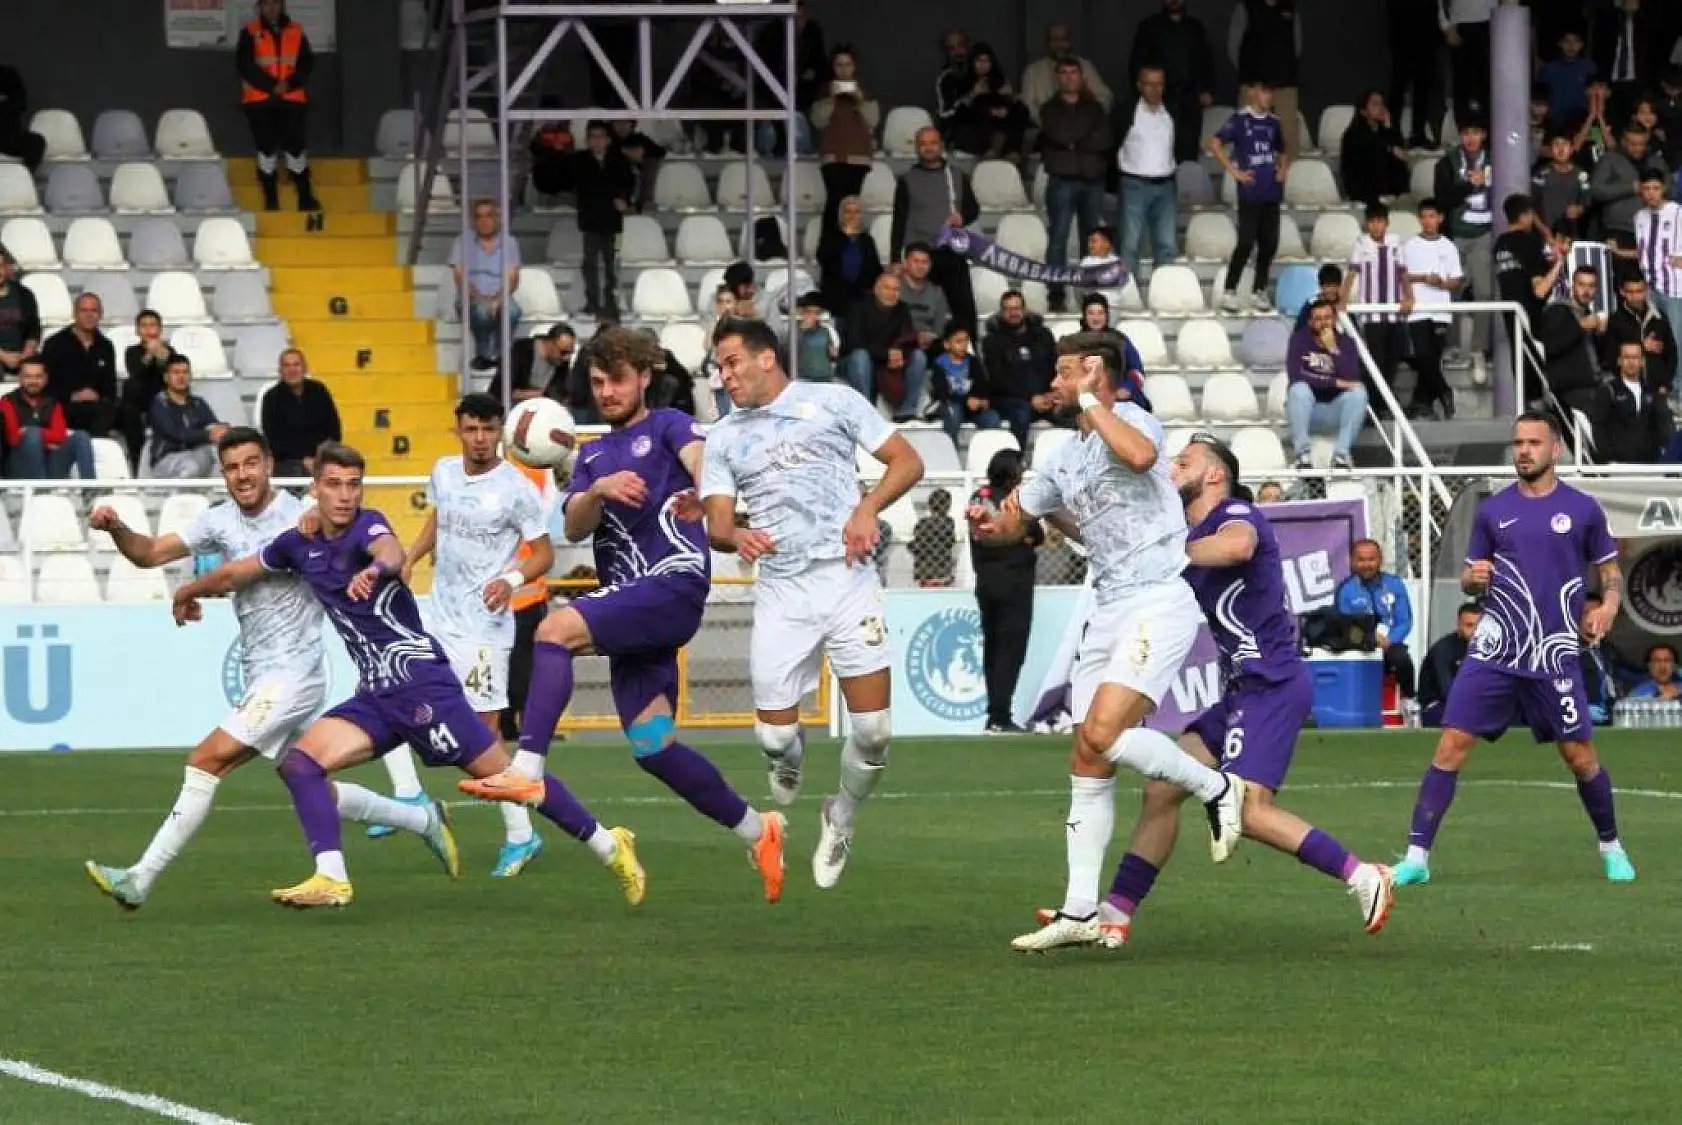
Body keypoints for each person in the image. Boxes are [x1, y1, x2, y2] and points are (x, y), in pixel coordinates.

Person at [170, 441, 646, 909]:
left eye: (353, 485)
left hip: (421, 686)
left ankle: (608, 844)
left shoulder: (367, 527)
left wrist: (376, 570)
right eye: (333, 485)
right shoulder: (299, 542)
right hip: (377, 694)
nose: (344, 496)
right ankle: (331, 877)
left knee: (513, 780)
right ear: (314, 489)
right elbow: (238, 571)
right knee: (300, 764)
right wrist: (189, 589)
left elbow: (391, 551)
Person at [462, 328, 788, 901]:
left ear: (643, 377)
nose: (607, 391)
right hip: (633, 608)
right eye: (596, 382)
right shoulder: (589, 456)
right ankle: (758, 830)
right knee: (653, 748)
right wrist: (600, 489)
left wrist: (719, 505)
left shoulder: (669, 427)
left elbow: (703, 462)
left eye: (617, 379)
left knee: (556, 628)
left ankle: (528, 767)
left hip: (672, 585)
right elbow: (574, 526)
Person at [1052, 435, 1396, 950]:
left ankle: (1362, 874)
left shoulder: (1237, 513)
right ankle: (1115, 912)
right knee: (1162, 789)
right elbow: (1120, 546)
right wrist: (1046, 510)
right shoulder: (1182, 532)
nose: (1172, 466)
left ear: (1214, 474)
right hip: (1241, 691)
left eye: (1184, 460)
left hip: (1273, 687)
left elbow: (1238, 546)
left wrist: (1171, 552)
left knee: (1248, 811)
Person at [84, 429, 450, 910]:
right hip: (264, 674)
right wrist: (115, 527)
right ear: (223, 473)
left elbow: (363, 539)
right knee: (305, 778)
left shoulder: (304, 514)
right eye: (233, 467)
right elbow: (149, 553)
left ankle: (139, 878)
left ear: (269, 463)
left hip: (294, 673)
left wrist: (377, 569)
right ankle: (423, 820)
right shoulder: (217, 520)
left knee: (205, 760)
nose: (243, 475)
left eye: (251, 463)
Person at [968, 333, 1245, 952]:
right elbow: (1019, 519)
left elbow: (1144, 457)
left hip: (1157, 601)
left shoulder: (1132, 418)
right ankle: (1079, 911)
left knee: (1102, 732)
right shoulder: (1066, 454)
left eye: (1065, 374)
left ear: (1094, 373)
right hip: (1110, 606)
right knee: (1090, 753)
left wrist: (1093, 400)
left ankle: (1217, 787)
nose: (1056, 386)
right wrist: (993, 527)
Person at [701, 317, 926, 888]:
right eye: (719, 367)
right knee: (773, 736)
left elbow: (907, 461)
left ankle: (841, 816)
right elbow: (718, 524)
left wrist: (867, 508)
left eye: (731, 363)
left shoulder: (834, 402)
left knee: (873, 732)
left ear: (766, 358)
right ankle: (788, 756)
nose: (724, 376)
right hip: (781, 591)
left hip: (848, 582)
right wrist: (737, 537)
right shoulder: (724, 436)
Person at [1393, 412, 1635, 887]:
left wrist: (1607, 605)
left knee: (1581, 757)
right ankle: (1417, 858)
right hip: (1496, 650)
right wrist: (1471, 578)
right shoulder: (1493, 511)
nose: (1524, 450)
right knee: (1449, 747)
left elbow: (1610, 573)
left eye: (1533, 443)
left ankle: (1612, 847)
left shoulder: (1583, 509)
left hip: (1553, 652)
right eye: (1518, 443)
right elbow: (1469, 574)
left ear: (1555, 449)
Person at [351, 395, 552, 878]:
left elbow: (543, 554)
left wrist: (513, 581)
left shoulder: (516, 489)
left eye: (487, 429)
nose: (479, 438)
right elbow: (439, 520)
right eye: (470, 429)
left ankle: (522, 836)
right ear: (457, 431)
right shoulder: (443, 472)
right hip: (439, 616)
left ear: (499, 432)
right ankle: (407, 793)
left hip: (485, 629)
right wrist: (413, 555)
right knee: (388, 690)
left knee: (483, 735)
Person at [969, 449, 1040, 733]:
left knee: (993, 647)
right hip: (1015, 584)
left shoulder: (979, 497)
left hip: (985, 581)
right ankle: (1000, 715)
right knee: (1011, 650)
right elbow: (1037, 534)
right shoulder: (1017, 501)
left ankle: (995, 713)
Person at [1038, 59, 1114, 313]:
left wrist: (1073, 142)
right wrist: (1081, 139)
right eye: (1064, 72)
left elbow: (1104, 140)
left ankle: (1088, 293)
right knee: (1058, 238)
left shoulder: (1095, 108)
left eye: (1074, 73)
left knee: (1091, 239)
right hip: (1062, 180)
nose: (1069, 77)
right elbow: (1059, 134)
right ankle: (1056, 293)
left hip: (1092, 179)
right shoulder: (1049, 109)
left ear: (1082, 77)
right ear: (1057, 77)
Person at [889, 128, 980, 334]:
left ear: (940, 145)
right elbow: (899, 220)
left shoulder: (957, 176)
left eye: (933, 143)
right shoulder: (907, 179)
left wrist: (962, 217)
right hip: (921, 255)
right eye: (923, 144)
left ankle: (968, 357)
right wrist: (896, 259)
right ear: (917, 148)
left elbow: (973, 208)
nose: (929, 148)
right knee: (921, 312)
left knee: (964, 309)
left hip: (952, 251)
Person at [1209, 81, 1288, 313]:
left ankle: (1259, 290)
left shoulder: (1274, 122)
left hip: (1272, 192)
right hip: (1250, 192)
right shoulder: (1240, 120)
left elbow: (1282, 150)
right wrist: (1234, 171)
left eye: (1270, 90)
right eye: (1264, 90)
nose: (1268, 95)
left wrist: (1283, 169)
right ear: (1253, 92)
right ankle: (1230, 290)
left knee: (1270, 243)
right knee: (1246, 242)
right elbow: (1214, 143)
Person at [235, 0, 319, 211]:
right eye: (266, 5)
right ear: (259, 7)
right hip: (260, 101)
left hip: (291, 100)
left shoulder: (296, 31)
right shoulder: (250, 32)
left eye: (275, 4)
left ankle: (304, 196)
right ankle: (271, 199)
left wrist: (289, 84)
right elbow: (245, 65)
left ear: (282, 6)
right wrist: (273, 86)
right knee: (266, 149)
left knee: (296, 149)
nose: (271, 9)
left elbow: (306, 63)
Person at [1128, 0, 1217, 166]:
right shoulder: (1149, 26)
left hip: (1190, 101)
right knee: (1159, 150)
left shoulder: (1195, 28)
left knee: (1188, 154)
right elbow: (1137, 64)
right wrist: (1145, 93)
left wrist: (1207, 89)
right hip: (1159, 100)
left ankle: (1185, 191)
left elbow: (1206, 62)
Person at [1433, 117, 1494, 360]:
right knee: (1452, 291)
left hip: (1485, 234)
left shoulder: (1497, 160)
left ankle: (1479, 349)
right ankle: (1454, 346)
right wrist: (1469, 184)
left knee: (1484, 292)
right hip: (1455, 235)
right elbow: (1442, 200)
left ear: (1484, 135)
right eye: (1467, 132)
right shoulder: (1447, 163)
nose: (1471, 138)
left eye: (1476, 132)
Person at [1344, 201, 1414, 404]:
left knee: (1393, 360)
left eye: (1380, 221)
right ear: (1367, 224)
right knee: (1376, 360)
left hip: (1394, 312)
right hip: (1372, 314)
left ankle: (1384, 402)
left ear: (1387, 223)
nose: (1376, 226)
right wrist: (1342, 299)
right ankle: (1375, 403)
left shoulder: (1396, 242)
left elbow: (1403, 273)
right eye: (1372, 222)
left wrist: (1409, 297)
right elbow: (1352, 272)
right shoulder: (1361, 243)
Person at [1285, 299, 1369, 471]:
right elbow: (1296, 376)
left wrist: (1333, 350)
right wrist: (1335, 382)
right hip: (1308, 411)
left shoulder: (1347, 343)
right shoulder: (1299, 340)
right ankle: (1303, 455)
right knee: (1299, 390)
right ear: (1310, 322)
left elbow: (1352, 379)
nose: (1323, 323)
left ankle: (1341, 455)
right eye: (1318, 319)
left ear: (1335, 318)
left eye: (1327, 318)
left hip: (1336, 411)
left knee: (1359, 394)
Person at [1113, 67, 1179, 282]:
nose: (1155, 89)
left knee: (1167, 244)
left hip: (1166, 185)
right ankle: (1127, 293)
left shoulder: (1172, 111)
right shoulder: (1126, 112)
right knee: (1130, 244)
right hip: (1134, 184)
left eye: (1159, 84)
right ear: (1139, 86)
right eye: (1149, 84)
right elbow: (1112, 142)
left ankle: (1165, 292)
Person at [1400, 198, 1465, 418]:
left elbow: (1456, 280)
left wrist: (1441, 283)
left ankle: (1420, 403)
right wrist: (1424, 279)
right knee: (1423, 355)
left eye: (1431, 217)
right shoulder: (1410, 245)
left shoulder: (1448, 245)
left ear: (1440, 218)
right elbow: (1403, 275)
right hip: (1418, 309)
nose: (1427, 221)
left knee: (1432, 359)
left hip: (1440, 311)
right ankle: (1444, 392)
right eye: (1424, 217)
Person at [810, 47, 880, 239]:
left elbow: (873, 121)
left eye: (848, 64)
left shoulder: (864, 90)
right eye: (839, 65)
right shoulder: (824, 90)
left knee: (852, 204)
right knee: (835, 202)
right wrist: (831, 98)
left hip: (859, 158)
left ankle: (850, 241)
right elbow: (818, 120)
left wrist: (860, 99)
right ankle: (831, 246)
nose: (843, 69)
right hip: (833, 156)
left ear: (854, 67)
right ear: (832, 67)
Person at [1335, 538, 1417, 697]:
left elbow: (1405, 621)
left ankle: (1409, 701)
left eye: (1371, 559)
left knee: (1402, 659)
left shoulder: (1395, 584)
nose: (1367, 565)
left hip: (1389, 645)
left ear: (1380, 560)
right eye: (1361, 560)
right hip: (1358, 646)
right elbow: (1343, 625)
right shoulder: (1345, 590)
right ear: (1352, 562)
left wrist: (1389, 640)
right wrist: (1369, 638)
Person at [980, 289, 1060, 447]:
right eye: (1008, 309)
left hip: (1045, 396)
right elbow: (998, 379)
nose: (1013, 313)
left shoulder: (1043, 335)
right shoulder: (992, 340)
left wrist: (1053, 393)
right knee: (1021, 413)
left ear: (1024, 310)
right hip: (1009, 399)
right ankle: (1017, 460)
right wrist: (1031, 398)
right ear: (1001, 313)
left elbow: (1055, 365)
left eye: (1016, 308)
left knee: (1071, 412)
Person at [843, 271, 926, 421]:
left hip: (890, 361)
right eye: (887, 288)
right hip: (859, 360)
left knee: (919, 356)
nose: (892, 293)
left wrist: (900, 353)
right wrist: (886, 353)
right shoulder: (859, 307)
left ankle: (906, 411)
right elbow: (854, 342)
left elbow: (908, 339)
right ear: (876, 289)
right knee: (860, 356)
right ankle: (865, 411)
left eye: (896, 289)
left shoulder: (902, 309)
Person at [451, 199, 523, 373]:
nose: (484, 221)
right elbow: (459, 276)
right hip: (471, 297)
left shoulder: (510, 242)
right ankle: (484, 354)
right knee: (481, 312)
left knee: (512, 311)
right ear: (473, 220)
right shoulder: (462, 242)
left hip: (501, 295)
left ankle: (499, 355)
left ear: (498, 218)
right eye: (479, 216)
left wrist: (498, 299)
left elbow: (512, 276)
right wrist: (480, 299)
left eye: (489, 215)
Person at [1228, 0, 1304, 160]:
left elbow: (1297, 48)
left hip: (1284, 85)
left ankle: (1290, 180)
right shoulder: (1246, 7)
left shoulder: (1290, 9)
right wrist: (1248, 75)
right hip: (1253, 86)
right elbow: (1233, 46)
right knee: (1249, 135)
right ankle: (1248, 180)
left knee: (1288, 137)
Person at [0, 356, 95, 480]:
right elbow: (13, 439)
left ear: (45, 379)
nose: (33, 381)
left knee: (81, 436)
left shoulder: (53, 402)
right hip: (19, 465)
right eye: (28, 376)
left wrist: (34, 433)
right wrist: (39, 438)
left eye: (38, 376)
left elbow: (60, 435)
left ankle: (91, 491)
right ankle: (41, 489)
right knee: (32, 434)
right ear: (20, 378)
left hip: (51, 462)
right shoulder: (7, 401)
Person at [1630, 168, 1682, 394]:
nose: (1651, 193)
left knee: (1678, 341)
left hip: (1675, 288)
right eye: (1647, 188)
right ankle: (1655, 387)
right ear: (1640, 190)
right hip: (1649, 289)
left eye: (1655, 188)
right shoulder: (1639, 217)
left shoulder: (1678, 212)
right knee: (1652, 339)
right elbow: (1642, 251)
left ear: (1664, 189)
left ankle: (1679, 390)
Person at [40, 291, 117, 439]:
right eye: (84, 310)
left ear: (100, 314)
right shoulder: (55, 344)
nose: (89, 315)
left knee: (118, 411)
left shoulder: (106, 346)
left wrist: (97, 396)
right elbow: (46, 386)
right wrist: (73, 396)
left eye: (94, 311)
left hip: (97, 406)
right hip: (64, 405)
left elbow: (110, 386)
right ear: (75, 314)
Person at [260, 347, 340, 477]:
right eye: (287, 365)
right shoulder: (271, 397)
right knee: (297, 472)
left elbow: (334, 428)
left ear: (305, 368)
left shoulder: (319, 390)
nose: (292, 370)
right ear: (280, 370)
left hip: (322, 456)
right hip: (287, 460)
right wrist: (303, 459)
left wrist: (318, 457)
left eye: (296, 365)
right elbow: (272, 438)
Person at [944, 43, 1031, 162]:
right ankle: (988, 150)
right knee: (980, 110)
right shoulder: (963, 80)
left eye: (987, 61)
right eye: (979, 61)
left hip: (1000, 118)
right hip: (973, 123)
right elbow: (957, 111)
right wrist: (973, 94)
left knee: (1020, 109)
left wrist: (1010, 98)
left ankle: (1013, 150)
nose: (983, 65)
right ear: (973, 62)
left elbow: (1011, 103)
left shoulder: (999, 79)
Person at [1594, 340, 1676, 462]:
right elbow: (1599, 428)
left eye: (1635, 357)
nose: (1631, 362)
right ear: (1619, 361)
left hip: (1651, 466)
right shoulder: (1608, 391)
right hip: (1618, 466)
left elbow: (1664, 426)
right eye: (1626, 357)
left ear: (1642, 361)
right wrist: (1608, 459)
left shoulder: (1652, 392)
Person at [148, 356, 226, 479]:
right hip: (167, 458)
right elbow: (175, 433)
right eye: (176, 372)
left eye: (185, 372)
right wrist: (208, 435)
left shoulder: (198, 403)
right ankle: (179, 497)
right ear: (166, 377)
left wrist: (222, 429)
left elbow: (212, 425)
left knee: (221, 457)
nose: (181, 377)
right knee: (191, 466)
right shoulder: (159, 403)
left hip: (196, 455)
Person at [1020, 24, 1112, 126]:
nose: (1059, 44)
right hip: (1047, 127)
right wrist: (1048, 124)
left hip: (1084, 126)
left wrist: (1089, 119)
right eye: (1054, 39)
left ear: (1070, 41)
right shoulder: (1033, 71)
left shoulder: (1085, 66)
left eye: (1063, 39)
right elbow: (1027, 105)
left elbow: (1105, 97)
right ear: (1047, 43)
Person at [816, 196, 883, 334]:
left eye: (857, 212)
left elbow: (874, 269)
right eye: (848, 211)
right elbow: (822, 257)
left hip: (860, 304)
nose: (853, 216)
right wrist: (844, 236)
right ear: (841, 215)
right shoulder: (831, 236)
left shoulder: (867, 240)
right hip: (835, 302)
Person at [118, 309, 173, 470]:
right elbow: (136, 373)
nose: (149, 330)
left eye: (153, 325)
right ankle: (136, 465)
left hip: (162, 401)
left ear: (160, 329)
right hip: (138, 402)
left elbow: (171, 378)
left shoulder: (170, 352)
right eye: (144, 326)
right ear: (137, 330)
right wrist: (149, 354)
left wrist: (163, 359)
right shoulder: (132, 352)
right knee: (129, 400)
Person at [1339, 91, 1411, 207]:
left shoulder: (1387, 131)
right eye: (1375, 104)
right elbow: (1366, 151)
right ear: (1363, 111)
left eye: (1382, 104)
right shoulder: (1352, 136)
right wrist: (1389, 149)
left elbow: (1401, 155)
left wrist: (1389, 130)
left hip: (1390, 191)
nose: (1381, 108)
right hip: (1363, 192)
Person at [931, 322, 1000, 440]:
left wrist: (979, 400)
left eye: (966, 341)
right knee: (954, 414)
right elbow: (942, 392)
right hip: (950, 403)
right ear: (947, 344)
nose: (963, 345)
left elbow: (981, 385)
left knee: (992, 417)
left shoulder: (973, 362)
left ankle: (987, 453)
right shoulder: (939, 364)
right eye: (958, 341)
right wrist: (966, 400)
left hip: (972, 406)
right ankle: (950, 451)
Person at [1418, 602, 1481, 728]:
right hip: (1438, 706)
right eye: (1469, 626)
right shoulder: (1443, 650)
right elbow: (1446, 689)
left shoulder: (1486, 647)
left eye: (1479, 626)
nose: (1475, 631)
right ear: (1459, 625)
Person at [508, 323, 577, 403]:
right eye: (563, 352)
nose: (566, 357)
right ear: (549, 343)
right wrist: (540, 394)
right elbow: (504, 391)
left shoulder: (562, 362)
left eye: (570, 353)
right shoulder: (521, 351)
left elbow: (560, 392)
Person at [0, 246, 40, 376]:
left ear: (7, 267)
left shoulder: (24, 294)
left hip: (20, 355)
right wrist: (4, 356)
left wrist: (26, 354)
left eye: (1, 266)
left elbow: (33, 330)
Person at [910, 488, 957, 587]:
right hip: (942, 568)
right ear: (948, 506)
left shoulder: (922, 523)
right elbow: (951, 541)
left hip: (924, 569)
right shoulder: (948, 522)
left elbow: (916, 543)